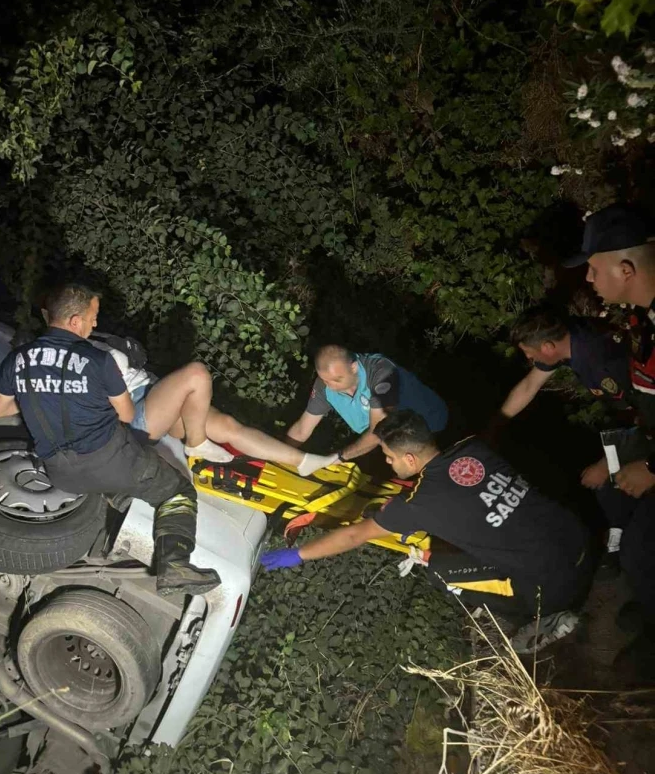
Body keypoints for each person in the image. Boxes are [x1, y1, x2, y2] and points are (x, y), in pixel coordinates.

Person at [263, 410, 593, 653]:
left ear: (409, 458)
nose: (388, 463)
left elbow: (354, 535)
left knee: (438, 570)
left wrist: (299, 554)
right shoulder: (473, 449)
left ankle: (545, 616)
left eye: (389, 457)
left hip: (554, 583)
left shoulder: (420, 504)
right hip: (580, 540)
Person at [0, 282, 223, 595]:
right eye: (92, 317)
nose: (95, 323)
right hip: (109, 458)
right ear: (75, 321)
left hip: (59, 473)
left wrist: (42, 393)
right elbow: (126, 414)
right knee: (176, 492)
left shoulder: (18, 359)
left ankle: (117, 492)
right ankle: (174, 565)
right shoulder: (98, 360)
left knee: (120, 474)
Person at [562, 204, 655, 667]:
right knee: (641, 548)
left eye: (594, 269)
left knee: (641, 548)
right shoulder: (641, 317)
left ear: (625, 269)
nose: (589, 279)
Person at [92, 338, 340, 477]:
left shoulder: (94, 339)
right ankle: (196, 443)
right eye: (90, 317)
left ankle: (302, 461)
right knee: (196, 374)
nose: (93, 322)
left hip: (154, 394)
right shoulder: (75, 357)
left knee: (227, 425)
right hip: (134, 415)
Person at [500, 305, 632, 554]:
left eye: (530, 355)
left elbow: (643, 415)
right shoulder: (569, 338)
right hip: (627, 420)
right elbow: (529, 386)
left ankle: (624, 544)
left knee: (604, 482)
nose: (530, 361)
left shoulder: (600, 361)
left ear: (548, 347)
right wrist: (496, 424)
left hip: (642, 424)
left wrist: (606, 464)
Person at [285, 345, 448, 463]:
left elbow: (379, 430)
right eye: (325, 380)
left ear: (353, 367)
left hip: (429, 426)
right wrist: (282, 455)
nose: (331, 386)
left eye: (337, 380)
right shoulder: (324, 386)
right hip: (384, 437)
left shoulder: (381, 371)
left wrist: (336, 458)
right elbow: (301, 429)